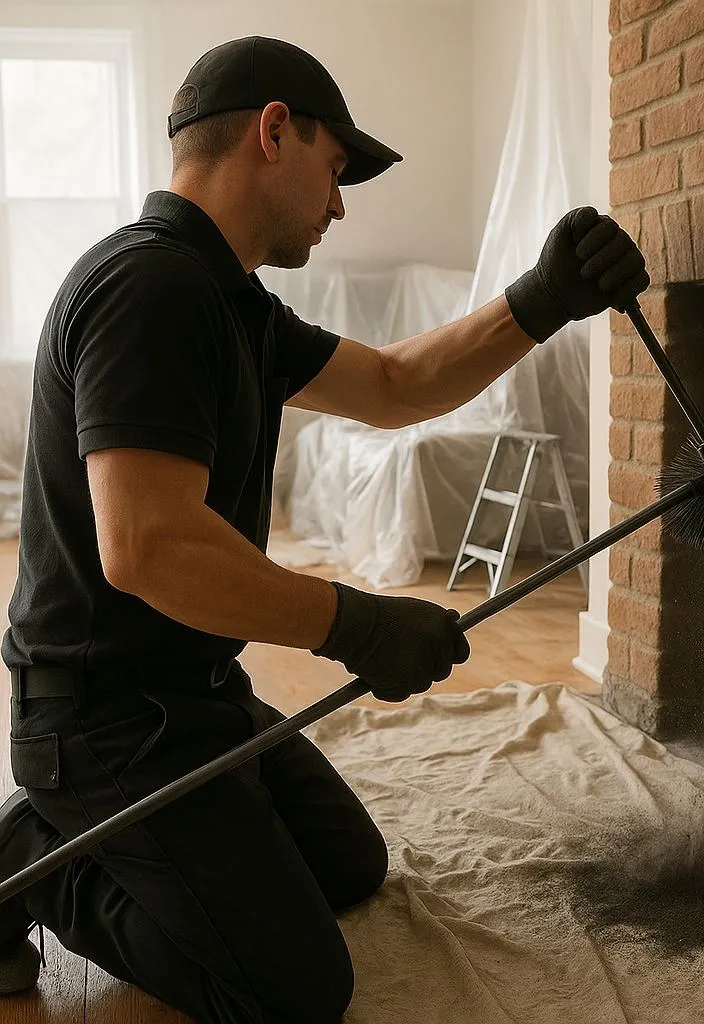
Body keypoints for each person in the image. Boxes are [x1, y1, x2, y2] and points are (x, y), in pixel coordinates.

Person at [0, 34, 648, 1024]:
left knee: (349, 865)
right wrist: (354, 622)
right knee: (290, 990)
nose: (339, 204)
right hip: (102, 721)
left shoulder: (234, 307)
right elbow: (148, 546)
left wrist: (544, 298)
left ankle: (150, 833)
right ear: (273, 131)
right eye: (335, 169)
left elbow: (396, 385)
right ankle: (34, 862)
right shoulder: (149, 288)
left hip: (192, 693)